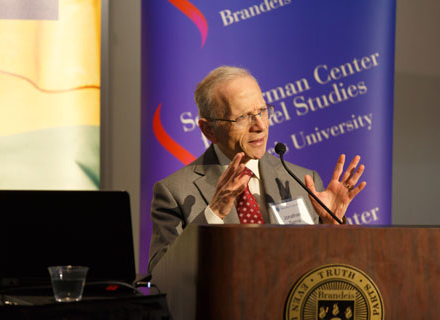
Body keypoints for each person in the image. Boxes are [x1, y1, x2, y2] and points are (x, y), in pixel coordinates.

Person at [148, 66, 366, 273]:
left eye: (262, 111)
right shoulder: (174, 192)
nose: (260, 125)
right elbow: (160, 274)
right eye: (242, 117)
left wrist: (332, 228)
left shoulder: (302, 181)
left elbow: (328, 269)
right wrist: (212, 214)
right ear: (209, 130)